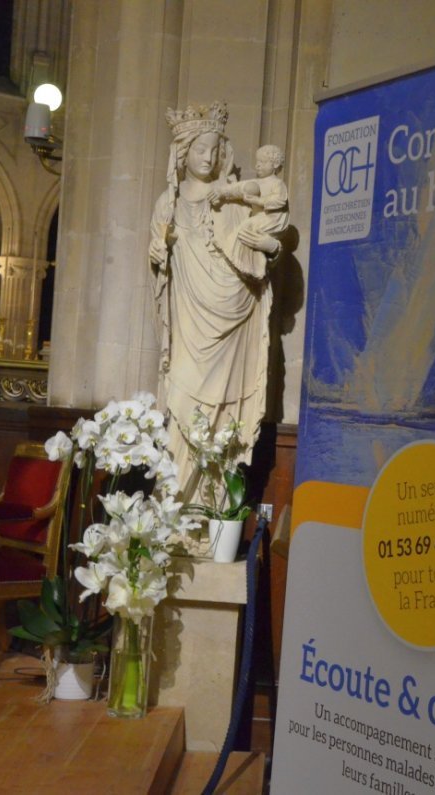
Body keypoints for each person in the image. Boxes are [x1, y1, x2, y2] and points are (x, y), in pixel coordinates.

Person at [149, 101, 283, 500]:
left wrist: (272, 247)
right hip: (189, 318)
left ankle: (211, 508)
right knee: (182, 400)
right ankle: (173, 505)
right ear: (183, 152)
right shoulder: (167, 202)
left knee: (221, 418)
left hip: (232, 312)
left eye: (213, 150)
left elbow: (260, 247)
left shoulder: (237, 199)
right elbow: (158, 250)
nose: (207, 158)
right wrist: (157, 254)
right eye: (199, 150)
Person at [215, 144, 289, 279]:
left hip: (273, 220)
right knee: (246, 229)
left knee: (246, 228)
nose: (258, 166)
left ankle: (247, 265)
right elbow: (236, 188)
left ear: (275, 164)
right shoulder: (255, 183)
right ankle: (237, 259)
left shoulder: (277, 184)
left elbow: (279, 201)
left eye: (262, 162)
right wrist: (220, 191)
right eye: (257, 162)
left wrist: (257, 201)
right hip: (260, 219)